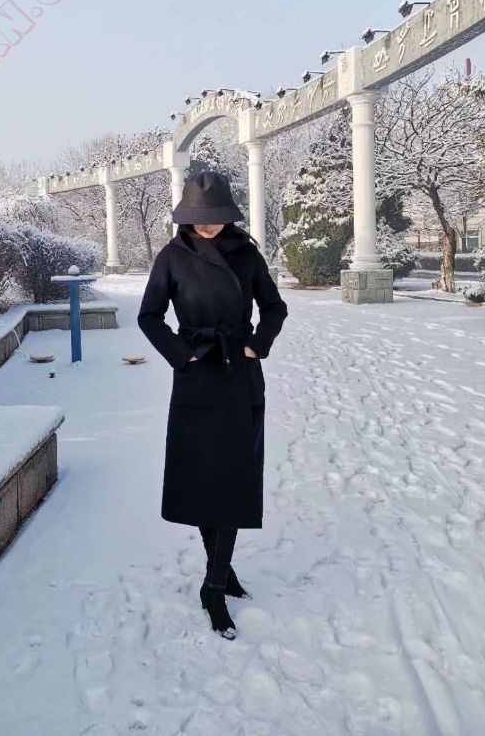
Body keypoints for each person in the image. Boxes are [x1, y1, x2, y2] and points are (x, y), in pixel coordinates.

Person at [137, 169, 288, 639]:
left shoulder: (247, 254)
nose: (206, 224)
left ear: (229, 214)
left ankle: (215, 583)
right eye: (199, 216)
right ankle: (220, 573)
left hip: (239, 376)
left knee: (232, 478)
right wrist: (181, 356)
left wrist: (257, 344)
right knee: (204, 479)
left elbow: (275, 307)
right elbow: (149, 316)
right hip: (197, 378)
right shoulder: (172, 256)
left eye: (215, 216)